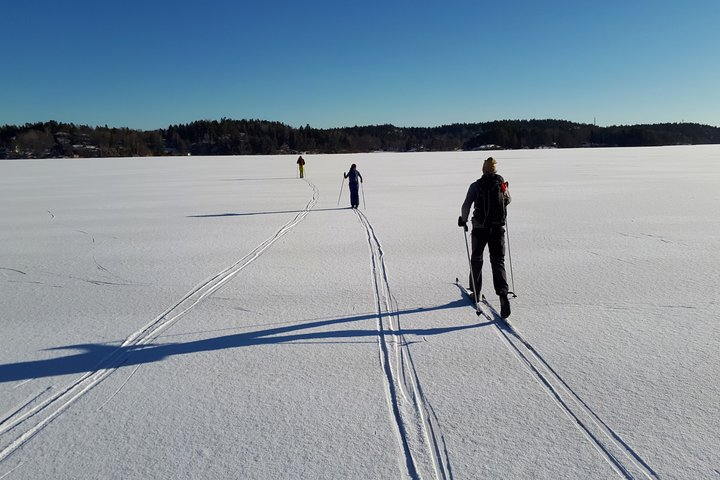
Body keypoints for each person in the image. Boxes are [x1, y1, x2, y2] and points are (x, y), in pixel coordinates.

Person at [458, 157, 512, 318]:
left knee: (477, 258)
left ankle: (476, 292)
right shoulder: (501, 185)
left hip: (480, 228)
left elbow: (466, 205)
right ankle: (503, 295)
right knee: (498, 261)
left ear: (483, 170)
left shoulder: (476, 186)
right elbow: (508, 200)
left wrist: (463, 220)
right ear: (495, 170)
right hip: (497, 228)